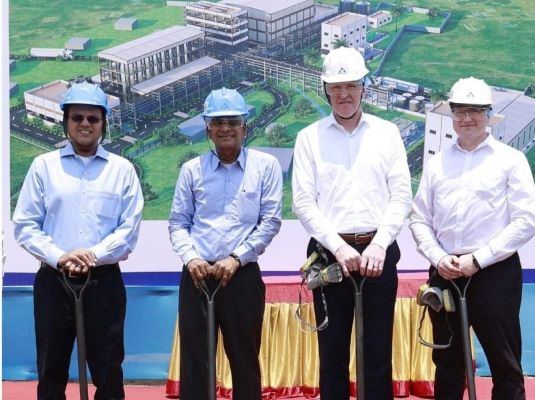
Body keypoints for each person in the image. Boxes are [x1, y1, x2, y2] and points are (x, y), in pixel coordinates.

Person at [292, 47, 412, 399]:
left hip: (379, 255)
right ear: (325, 89)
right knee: (332, 354)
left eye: (351, 86)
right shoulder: (309, 138)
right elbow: (303, 203)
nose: (344, 94)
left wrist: (380, 244)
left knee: (377, 354)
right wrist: (339, 247)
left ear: (364, 87)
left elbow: (401, 196)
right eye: (336, 87)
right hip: (330, 257)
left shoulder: (387, 133)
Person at [13, 79, 144, 400]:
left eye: (93, 118)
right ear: (66, 121)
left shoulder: (122, 169)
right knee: (51, 369)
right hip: (54, 282)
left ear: (103, 123)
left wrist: (92, 255)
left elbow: (128, 230)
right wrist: (60, 256)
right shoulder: (44, 167)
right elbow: (25, 225)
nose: (85, 124)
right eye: (77, 117)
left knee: (109, 371)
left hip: (103, 282)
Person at [410, 77, 535, 400]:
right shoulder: (437, 164)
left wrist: (478, 260)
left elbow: (526, 220)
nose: (467, 118)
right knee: (447, 364)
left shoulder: (511, 160)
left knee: (504, 363)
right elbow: (419, 219)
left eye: (475, 110)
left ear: (489, 115)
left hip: (494, 273)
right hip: (445, 272)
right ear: (452, 114)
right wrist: (439, 257)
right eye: (460, 111)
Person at [168, 87, 283, 400]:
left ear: (245, 126)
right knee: (195, 363)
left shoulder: (266, 166)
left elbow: (270, 222)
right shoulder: (191, 170)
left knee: (245, 360)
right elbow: (178, 223)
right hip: (197, 276)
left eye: (232, 121)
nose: (225, 128)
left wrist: (236, 258)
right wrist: (191, 258)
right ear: (208, 128)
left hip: (241, 275)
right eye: (217, 122)